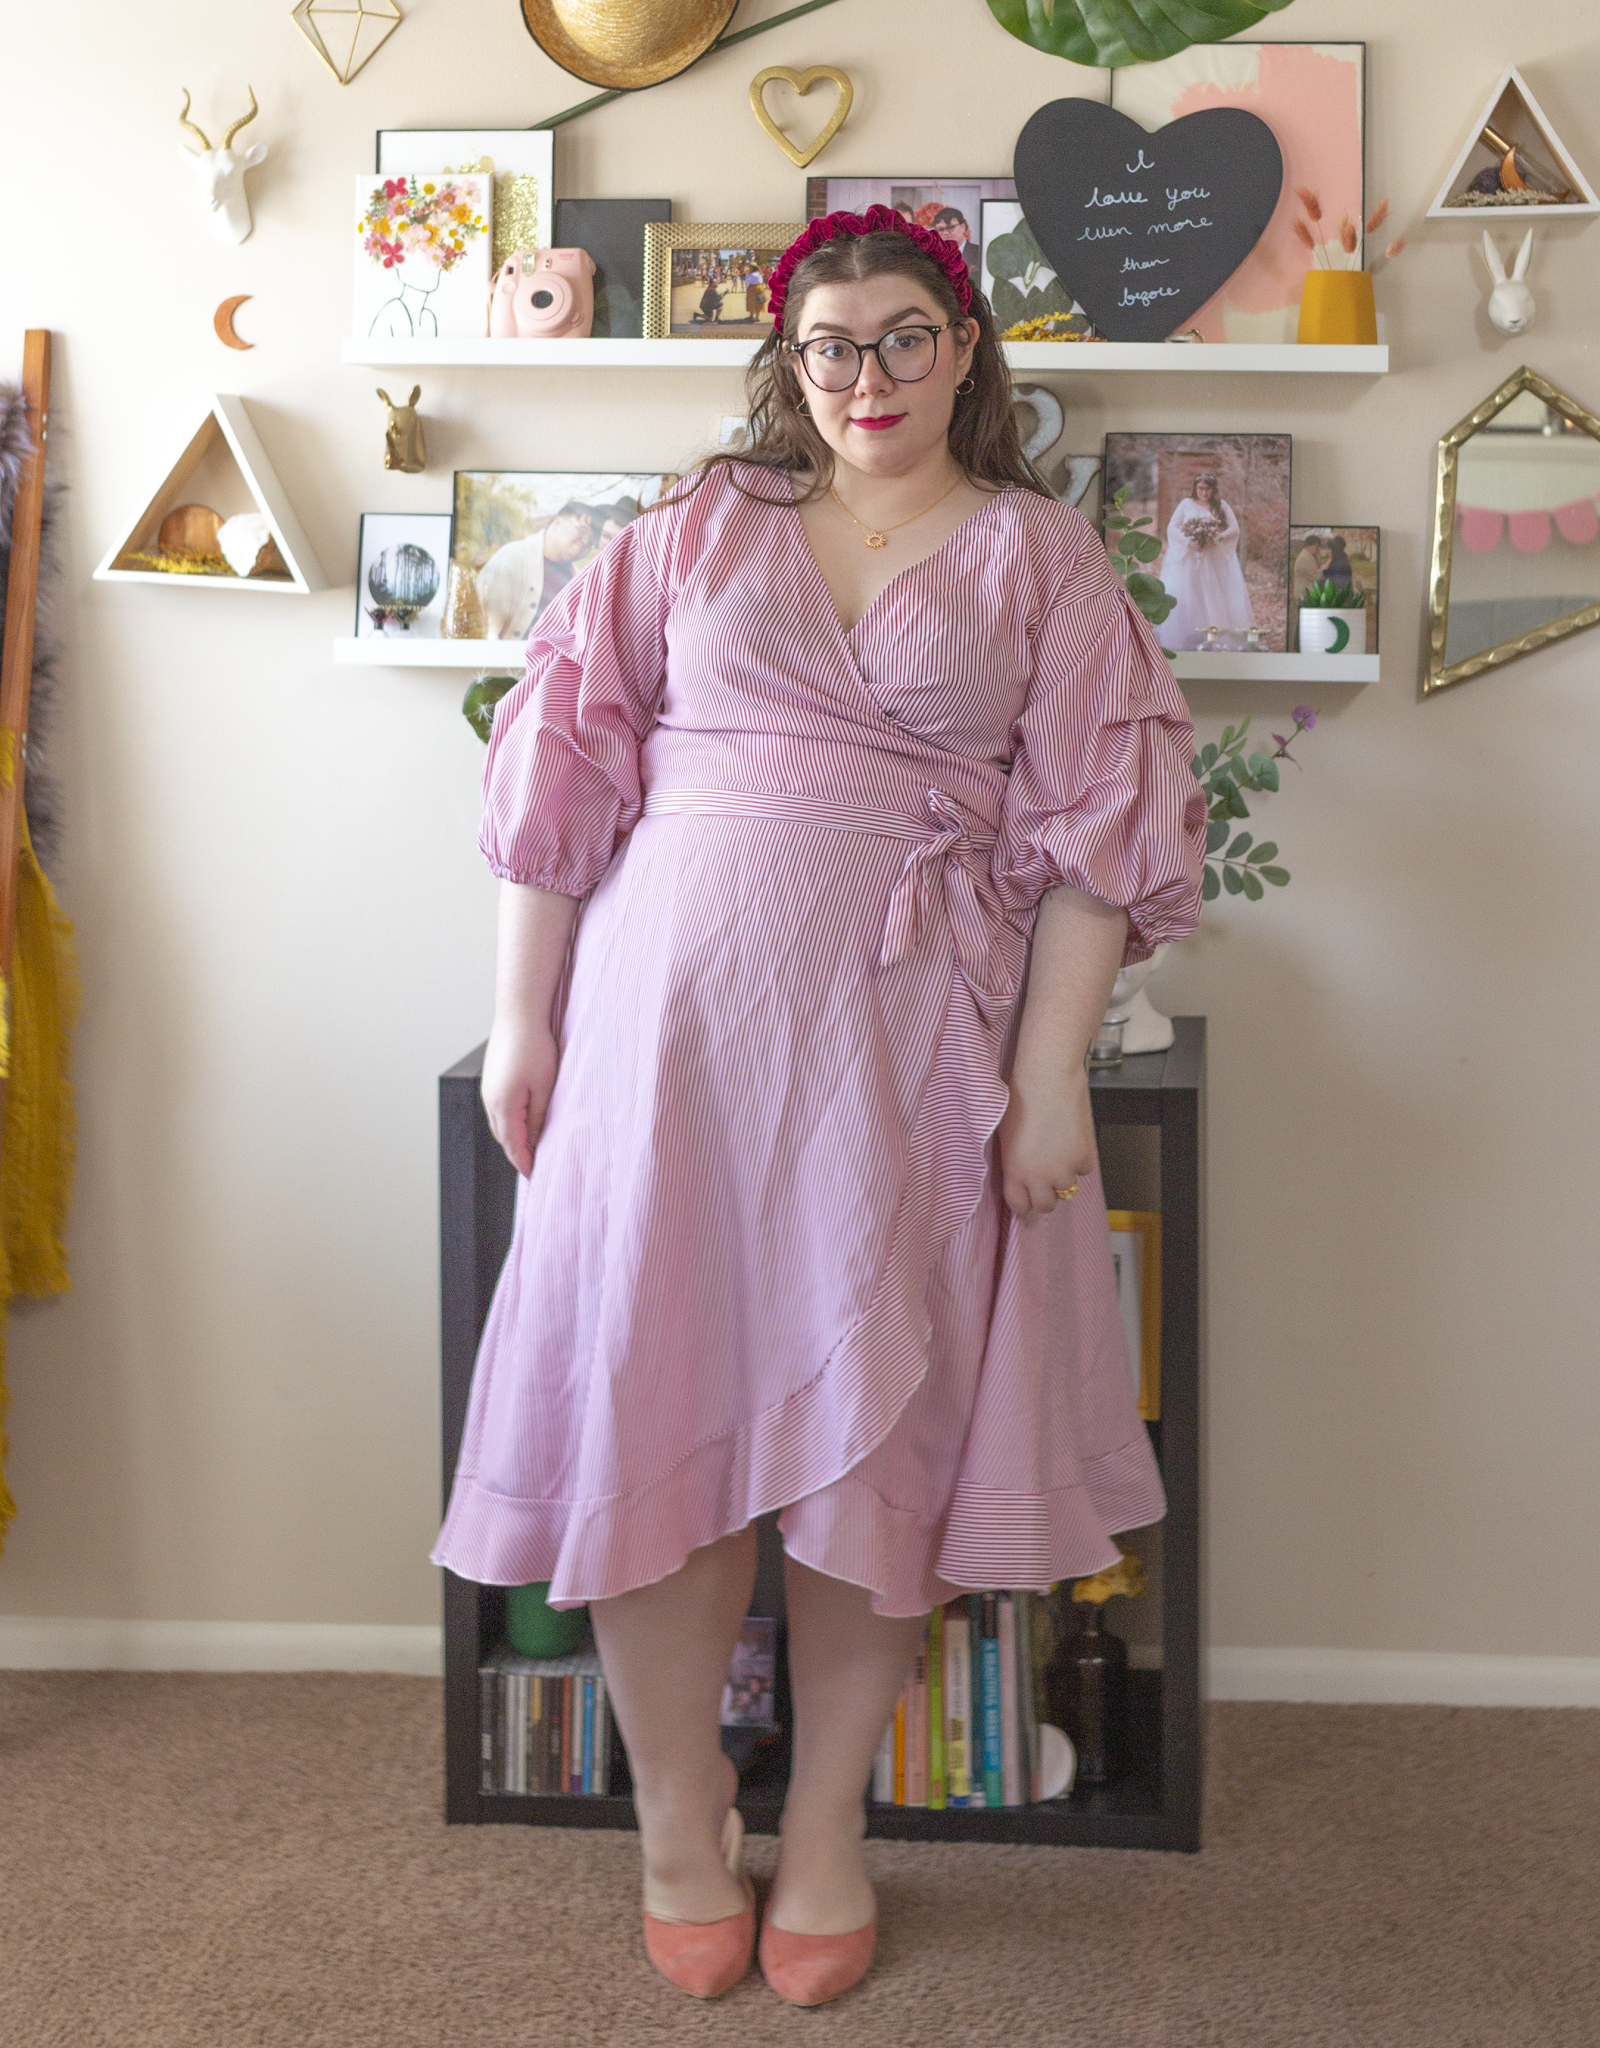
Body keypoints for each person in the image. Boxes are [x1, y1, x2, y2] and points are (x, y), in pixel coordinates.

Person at [436, 203, 1204, 2007]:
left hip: (907, 1050)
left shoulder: (1040, 558)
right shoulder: (698, 527)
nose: (867, 377)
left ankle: (836, 1824)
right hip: (664, 1045)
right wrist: (518, 1019)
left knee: (874, 1441)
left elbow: (1101, 845)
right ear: (790, 364)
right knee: (655, 1415)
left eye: (904, 336)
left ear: (965, 348)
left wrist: (1045, 1085)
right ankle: (682, 1819)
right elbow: (565, 750)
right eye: (830, 345)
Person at [1155, 471, 1254, 650]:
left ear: (1213, 489)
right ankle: (1187, 637)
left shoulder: (1221, 506)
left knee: (1213, 596)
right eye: (1201, 488)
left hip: (1213, 559)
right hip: (1189, 559)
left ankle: (1215, 638)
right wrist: (1188, 542)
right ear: (1195, 488)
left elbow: (1234, 529)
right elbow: (1173, 527)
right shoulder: (1186, 504)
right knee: (1189, 594)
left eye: (1208, 489)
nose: (1204, 492)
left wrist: (1215, 539)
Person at [476, 502, 598, 639]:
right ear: (557, 523)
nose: (586, 542)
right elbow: (485, 629)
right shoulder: (512, 558)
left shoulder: (581, 580)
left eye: (592, 540)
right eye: (583, 531)